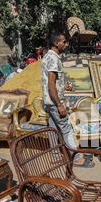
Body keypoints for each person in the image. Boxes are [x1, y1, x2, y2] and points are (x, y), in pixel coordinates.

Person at [41, 32, 91, 167]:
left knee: (53, 129)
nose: (66, 44)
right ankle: (77, 158)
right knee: (67, 128)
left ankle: (56, 156)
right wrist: (59, 104)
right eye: (64, 41)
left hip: (49, 101)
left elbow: (54, 82)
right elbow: (51, 84)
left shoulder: (48, 56)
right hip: (54, 102)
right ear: (56, 43)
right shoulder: (53, 59)